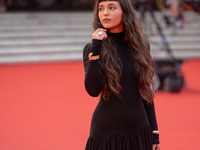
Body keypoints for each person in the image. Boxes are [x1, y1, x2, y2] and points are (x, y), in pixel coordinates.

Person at [83, 0, 161, 149]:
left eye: (111, 7)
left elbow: (146, 92)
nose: (105, 12)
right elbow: (93, 91)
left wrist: (154, 131)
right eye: (101, 8)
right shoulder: (92, 48)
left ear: (124, 11)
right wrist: (96, 50)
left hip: (139, 130)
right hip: (106, 132)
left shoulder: (141, 47)